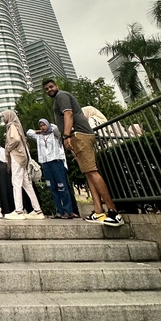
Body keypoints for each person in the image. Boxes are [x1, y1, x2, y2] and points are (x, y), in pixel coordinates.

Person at [43, 79, 123, 226]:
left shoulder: (61, 96)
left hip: (79, 135)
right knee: (88, 173)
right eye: (46, 89)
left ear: (56, 86)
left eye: (51, 87)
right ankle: (98, 211)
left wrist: (67, 136)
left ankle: (113, 212)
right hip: (77, 137)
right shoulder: (58, 99)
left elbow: (68, 114)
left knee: (92, 172)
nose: (49, 90)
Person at [27, 119, 75, 219]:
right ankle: (59, 211)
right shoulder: (39, 137)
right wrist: (39, 131)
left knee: (62, 186)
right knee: (52, 187)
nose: (42, 127)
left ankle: (68, 211)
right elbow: (29, 132)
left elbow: (56, 128)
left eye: (44, 125)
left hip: (56, 162)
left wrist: (48, 127)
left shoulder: (55, 135)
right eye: (40, 126)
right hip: (46, 163)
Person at [1, 110, 45, 221]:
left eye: (3, 116)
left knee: (16, 183)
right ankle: (37, 210)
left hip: (17, 157)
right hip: (22, 157)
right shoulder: (17, 126)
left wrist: (8, 148)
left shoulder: (11, 126)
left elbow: (15, 139)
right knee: (27, 184)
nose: (3, 118)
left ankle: (18, 211)